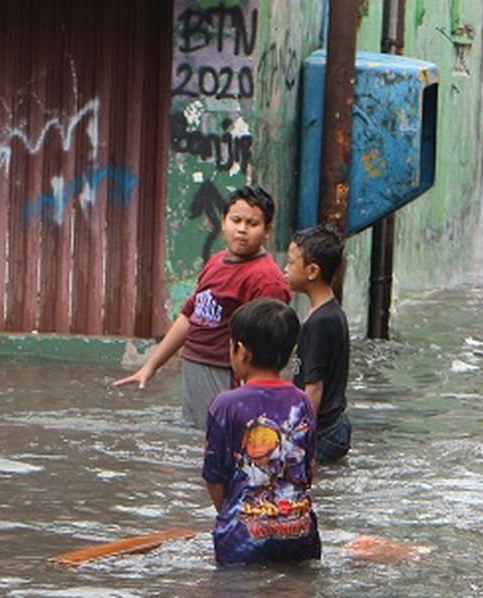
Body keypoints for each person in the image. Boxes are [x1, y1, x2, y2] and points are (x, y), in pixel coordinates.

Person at [116, 185, 289, 431]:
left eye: (252, 224)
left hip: (226, 372)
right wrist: (151, 366)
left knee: (220, 438)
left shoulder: (266, 280)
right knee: (197, 435)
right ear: (223, 222)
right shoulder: (216, 262)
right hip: (194, 365)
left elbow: (270, 346)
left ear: (267, 230)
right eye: (236, 220)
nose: (241, 229)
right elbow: (189, 316)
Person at [203, 298, 319, 565]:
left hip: (243, 538)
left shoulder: (226, 404)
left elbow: (213, 475)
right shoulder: (303, 402)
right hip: (299, 534)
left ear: (241, 351)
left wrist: (233, 514)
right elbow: (309, 467)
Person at [285, 224, 351, 463]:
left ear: (312, 271)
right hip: (334, 425)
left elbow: (314, 389)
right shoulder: (330, 312)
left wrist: (300, 439)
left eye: (291, 263)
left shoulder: (320, 323)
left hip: (323, 431)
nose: (286, 269)